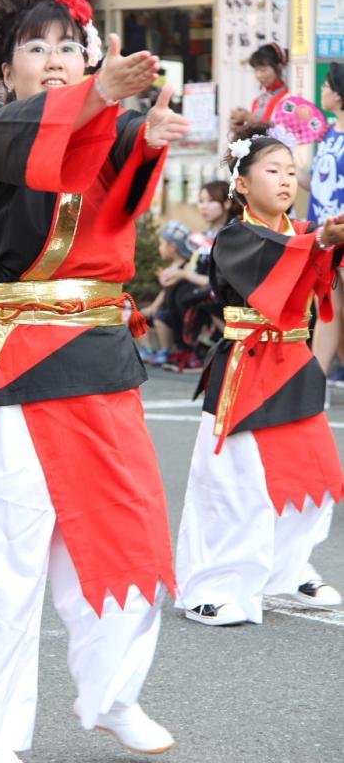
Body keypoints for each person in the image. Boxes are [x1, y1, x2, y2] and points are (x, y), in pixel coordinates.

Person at [0, 0, 190, 763]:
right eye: (36, 48)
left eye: (70, 48)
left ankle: (115, 693)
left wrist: (149, 140)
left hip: (100, 360)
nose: (54, 61)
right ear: (3, 69)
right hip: (21, 362)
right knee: (4, 551)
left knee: (128, 530)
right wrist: (96, 99)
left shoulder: (105, 130)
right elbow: (46, 150)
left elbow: (115, 193)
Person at [175, 121, 344, 627]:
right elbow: (278, 269)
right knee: (236, 483)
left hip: (293, 363)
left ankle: (286, 570)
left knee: (313, 473)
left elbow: (313, 272)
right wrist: (319, 242)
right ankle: (209, 585)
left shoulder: (298, 235)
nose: (286, 179)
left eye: (292, 171)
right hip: (246, 368)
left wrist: (328, 244)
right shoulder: (235, 237)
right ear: (242, 183)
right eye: (272, 170)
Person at [158, 182, 236, 373]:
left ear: (227, 203)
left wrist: (184, 274)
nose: (203, 206)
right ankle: (184, 349)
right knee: (177, 289)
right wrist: (175, 275)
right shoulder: (202, 236)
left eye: (210, 201)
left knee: (193, 295)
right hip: (207, 286)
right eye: (201, 201)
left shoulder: (233, 232)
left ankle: (201, 348)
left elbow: (222, 279)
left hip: (227, 289)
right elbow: (193, 270)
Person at [302, 63, 344, 382]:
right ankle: (315, 382)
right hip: (325, 234)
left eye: (327, 86)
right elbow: (316, 182)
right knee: (328, 309)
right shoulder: (329, 132)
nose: (322, 90)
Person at [138, 221, 194, 366]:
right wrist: (154, 306)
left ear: (172, 247)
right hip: (166, 308)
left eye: (162, 244)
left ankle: (166, 351)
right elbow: (165, 291)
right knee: (138, 318)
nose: (159, 248)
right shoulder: (171, 267)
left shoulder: (186, 266)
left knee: (160, 318)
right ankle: (147, 349)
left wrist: (156, 308)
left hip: (177, 313)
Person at [230, 43, 289, 134]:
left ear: (279, 67)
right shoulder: (258, 100)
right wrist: (240, 127)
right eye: (256, 70)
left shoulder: (288, 97)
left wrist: (250, 118)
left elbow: (281, 130)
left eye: (263, 70)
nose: (259, 75)